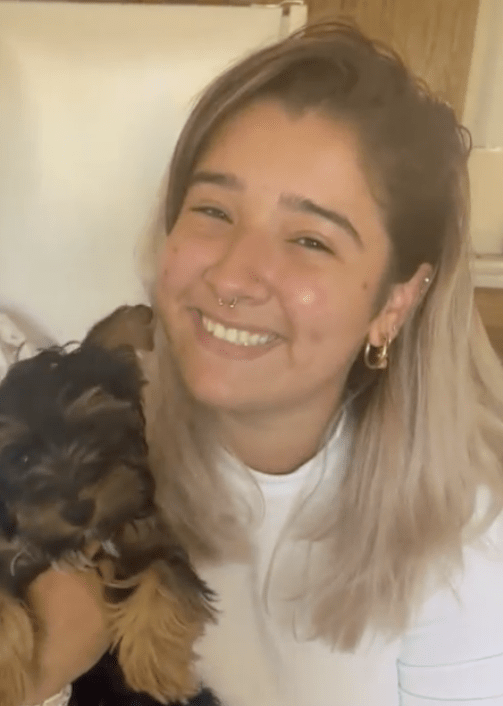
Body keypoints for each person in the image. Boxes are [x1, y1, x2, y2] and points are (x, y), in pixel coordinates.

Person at [27, 21, 503, 706]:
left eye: (310, 238)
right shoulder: (91, 451)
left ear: (397, 301)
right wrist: (29, 675)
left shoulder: (465, 523)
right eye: (213, 210)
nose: (234, 275)